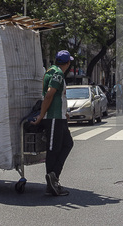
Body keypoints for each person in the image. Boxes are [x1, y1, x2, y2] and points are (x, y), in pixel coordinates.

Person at [31, 50, 75, 196]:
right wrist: (42, 115)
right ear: (67, 63)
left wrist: (64, 112)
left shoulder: (52, 70)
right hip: (53, 118)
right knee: (53, 150)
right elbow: (49, 95)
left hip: (59, 117)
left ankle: (53, 176)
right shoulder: (57, 74)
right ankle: (52, 182)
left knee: (68, 143)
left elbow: (56, 97)